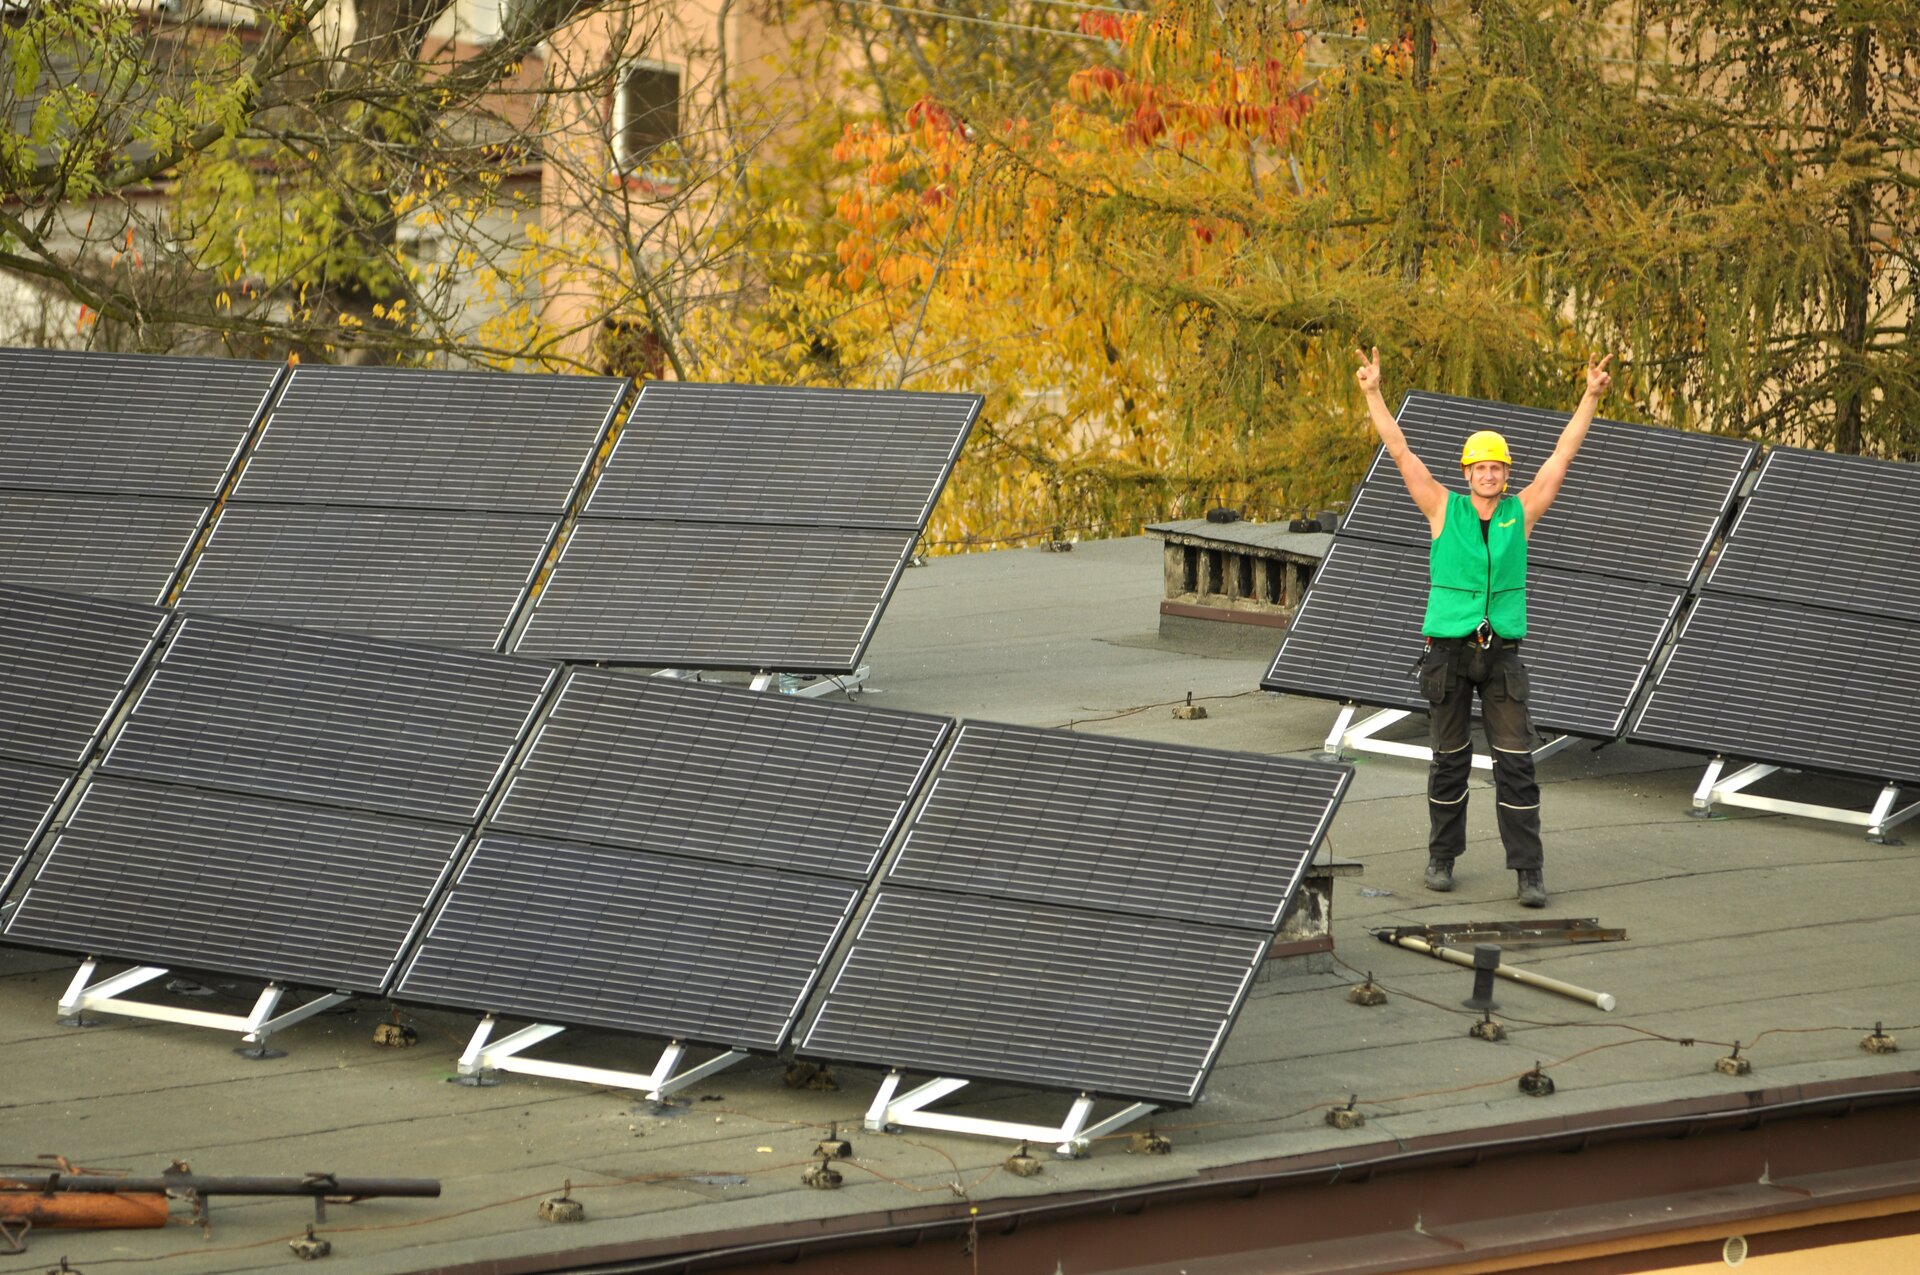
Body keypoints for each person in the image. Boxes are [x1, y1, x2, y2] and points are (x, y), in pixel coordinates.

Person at [1353, 348, 1613, 908]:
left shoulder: (1524, 512)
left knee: (1516, 764)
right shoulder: (1443, 509)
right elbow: (1399, 453)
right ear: (1467, 471)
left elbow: (1561, 460)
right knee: (1448, 760)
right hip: (1447, 654)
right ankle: (1442, 858)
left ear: (1504, 474)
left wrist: (1589, 397)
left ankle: (1529, 871)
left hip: (1501, 658)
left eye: (1497, 468)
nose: (1489, 475)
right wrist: (1373, 392)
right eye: (1481, 467)